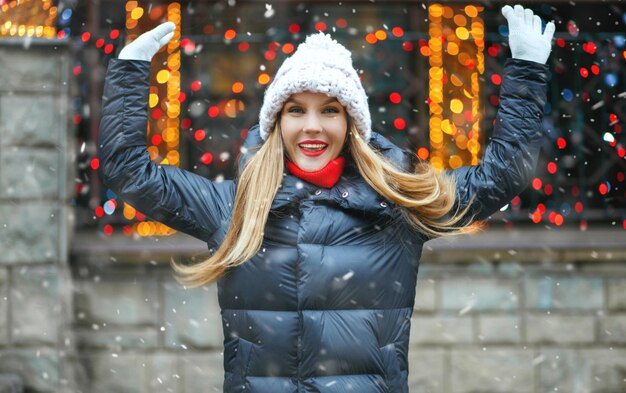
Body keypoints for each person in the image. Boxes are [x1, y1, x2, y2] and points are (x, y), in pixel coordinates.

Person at [99, 4, 554, 392]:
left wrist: (528, 73)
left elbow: (501, 177)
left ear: (351, 125)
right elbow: (129, 171)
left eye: (329, 111)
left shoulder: (397, 206)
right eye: (296, 110)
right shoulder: (233, 207)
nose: (312, 126)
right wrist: (129, 71)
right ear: (276, 123)